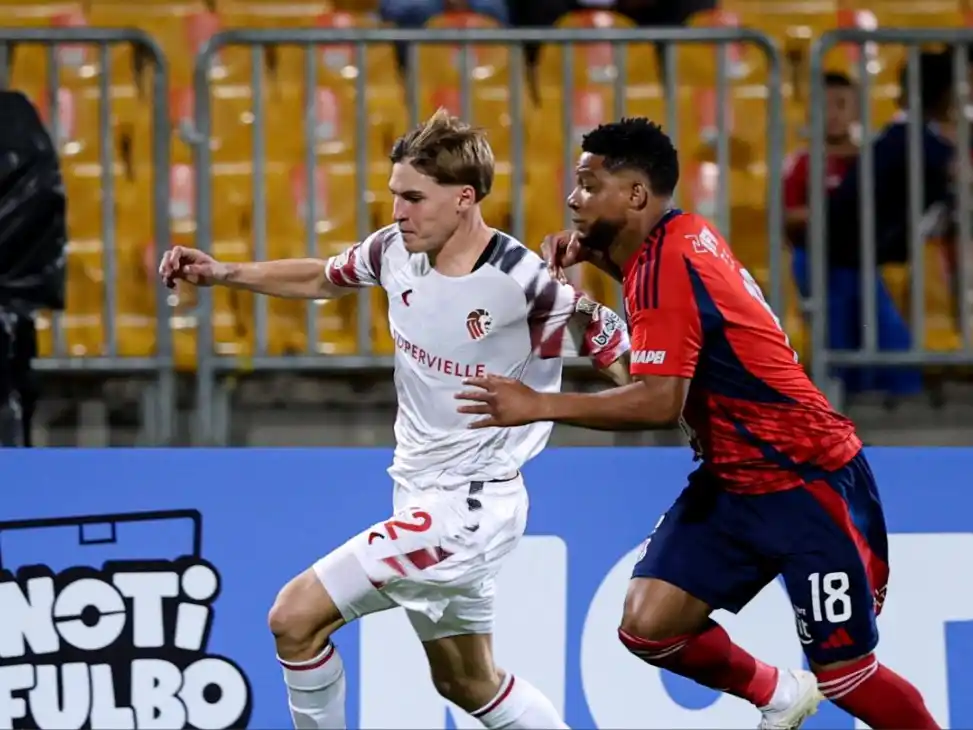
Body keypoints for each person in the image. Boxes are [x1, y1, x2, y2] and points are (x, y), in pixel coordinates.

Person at [456, 118, 939, 730]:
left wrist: (538, 404)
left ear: (634, 196)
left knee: (846, 674)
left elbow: (658, 402)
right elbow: (669, 326)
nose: (573, 199)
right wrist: (598, 253)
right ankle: (779, 694)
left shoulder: (667, 268)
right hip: (735, 479)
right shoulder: (680, 236)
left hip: (805, 479)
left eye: (587, 184)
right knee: (649, 624)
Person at [159, 109, 631, 730]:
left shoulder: (525, 281)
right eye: (394, 196)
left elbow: (625, 362)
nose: (398, 211)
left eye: (413, 198)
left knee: (293, 619)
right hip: (418, 492)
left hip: (470, 508)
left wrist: (612, 337)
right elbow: (323, 278)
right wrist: (224, 273)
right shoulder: (393, 252)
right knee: (467, 682)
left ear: (464, 199)